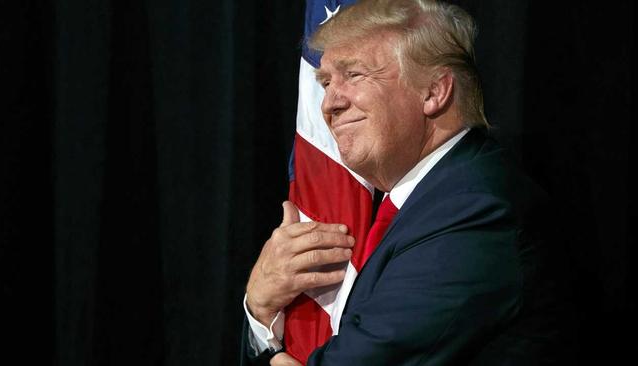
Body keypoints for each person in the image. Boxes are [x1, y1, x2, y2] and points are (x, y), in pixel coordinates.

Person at [242, 0, 572, 364]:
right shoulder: (419, 201)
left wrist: (270, 347)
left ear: (434, 92)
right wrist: (260, 307)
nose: (329, 104)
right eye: (324, 82)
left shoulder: (475, 211)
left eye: (354, 75)